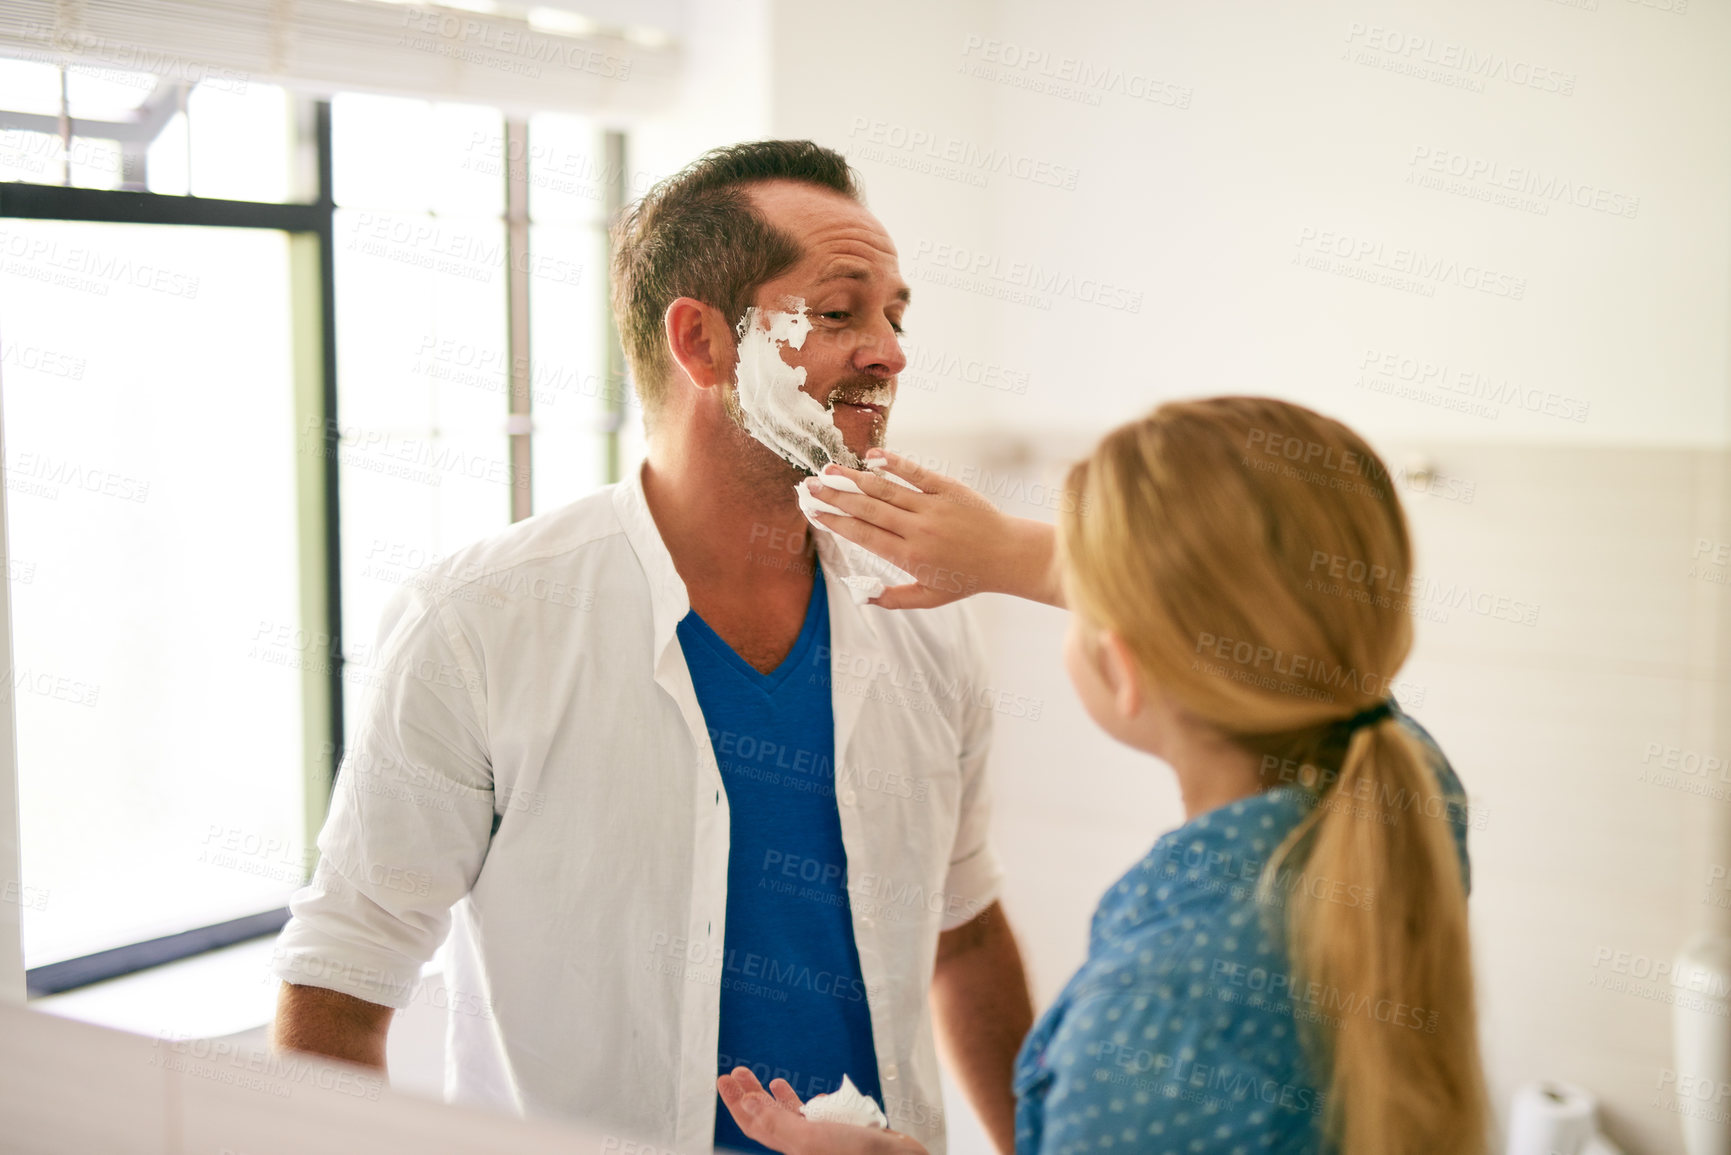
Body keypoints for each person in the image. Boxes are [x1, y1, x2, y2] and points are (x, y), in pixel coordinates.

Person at [268, 140, 1034, 1155]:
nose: (890, 350)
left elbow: (965, 928)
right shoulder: (481, 622)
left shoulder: (926, 611)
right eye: (842, 311)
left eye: (896, 315)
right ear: (702, 343)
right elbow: (340, 982)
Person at [715, 396, 1488, 1155]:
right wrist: (1033, 556)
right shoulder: (1404, 786)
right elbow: (1323, 653)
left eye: (1083, 591)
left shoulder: (1152, 1018)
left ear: (1122, 669)